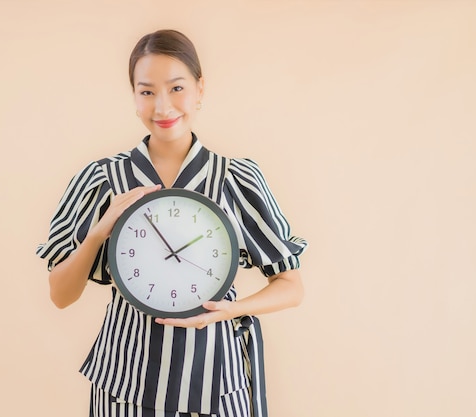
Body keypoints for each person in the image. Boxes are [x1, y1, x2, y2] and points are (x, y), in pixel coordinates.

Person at [36, 29, 307, 417]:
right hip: (124, 385)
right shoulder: (102, 179)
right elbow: (60, 295)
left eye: (176, 88)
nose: (163, 107)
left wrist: (229, 310)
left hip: (218, 382)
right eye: (147, 91)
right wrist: (101, 229)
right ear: (133, 98)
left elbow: (291, 286)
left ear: (200, 89)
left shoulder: (235, 178)